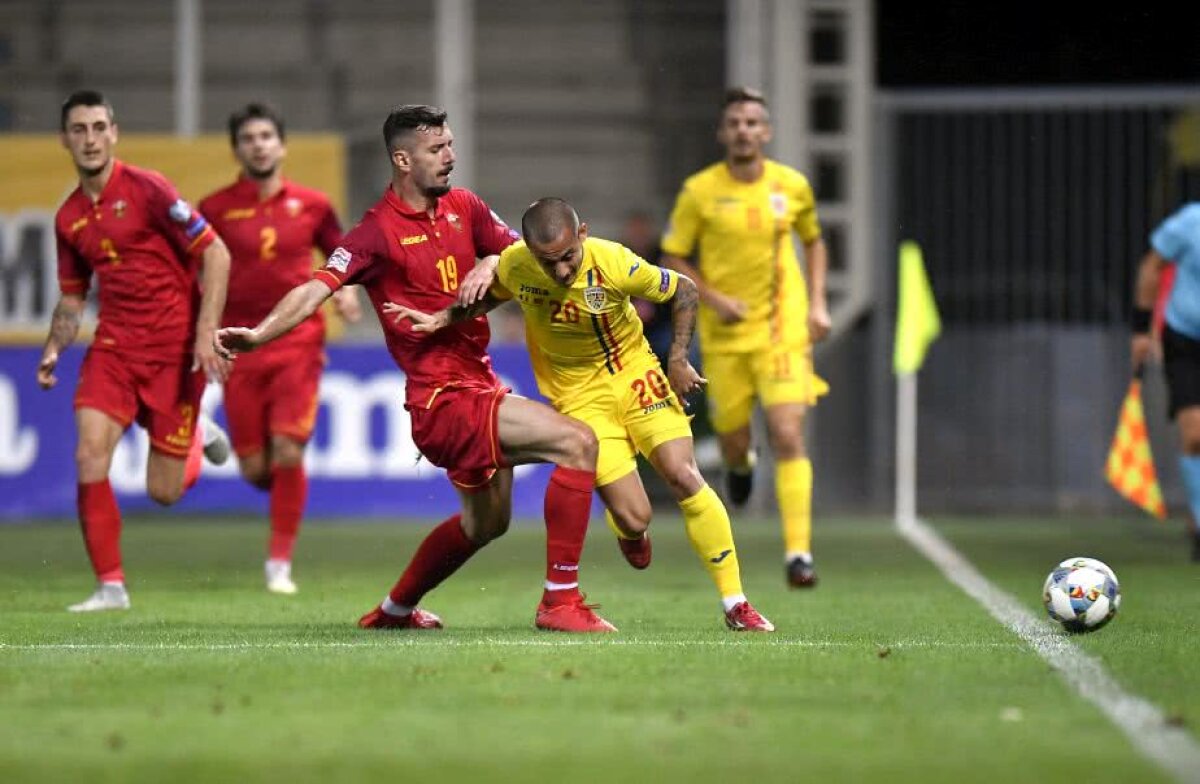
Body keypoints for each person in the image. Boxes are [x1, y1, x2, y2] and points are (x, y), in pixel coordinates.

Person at [214, 105, 615, 632]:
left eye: (449, 145)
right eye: (437, 149)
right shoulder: (375, 233)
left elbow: (519, 254)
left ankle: (394, 610)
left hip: (478, 381)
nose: (450, 156)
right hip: (442, 400)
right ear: (402, 159)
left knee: (485, 524)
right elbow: (317, 287)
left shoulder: (464, 207)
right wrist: (260, 334)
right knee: (578, 442)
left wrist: (491, 260)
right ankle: (560, 603)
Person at [388, 198, 775, 631]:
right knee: (635, 517)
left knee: (683, 474)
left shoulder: (615, 261)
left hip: (636, 376)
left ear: (584, 234)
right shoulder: (517, 265)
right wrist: (442, 318)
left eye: (569, 257)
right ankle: (631, 532)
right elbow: (488, 299)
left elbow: (683, 287)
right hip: (581, 401)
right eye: (548, 262)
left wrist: (678, 358)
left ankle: (735, 603)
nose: (561, 272)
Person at [38, 90, 233, 612]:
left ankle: (193, 433)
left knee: (163, 492)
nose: (90, 138)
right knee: (88, 452)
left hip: (174, 349)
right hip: (115, 348)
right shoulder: (68, 218)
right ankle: (111, 586)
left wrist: (205, 331)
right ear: (65, 139)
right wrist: (55, 347)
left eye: (99, 127)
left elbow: (215, 252)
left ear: (114, 133)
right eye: (78, 129)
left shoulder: (147, 190)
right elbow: (74, 295)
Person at [660, 86, 831, 589]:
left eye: (753, 122)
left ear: (767, 131)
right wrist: (715, 300)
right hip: (725, 336)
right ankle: (741, 462)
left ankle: (799, 553)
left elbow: (815, 241)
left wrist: (818, 301)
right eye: (735, 122)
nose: (744, 130)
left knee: (787, 433)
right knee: (734, 439)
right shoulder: (700, 191)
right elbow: (673, 256)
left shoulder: (792, 186)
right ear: (722, 133)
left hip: (781, 331)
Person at [199, 103, 362, 595]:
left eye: (267, 135)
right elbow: (197, 274)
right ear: (237, 149)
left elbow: (342, 249)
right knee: (255, 468)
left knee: (289, 448)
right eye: (248, 137)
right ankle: (285, 496)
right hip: (240, 345)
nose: (259, 144)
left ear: (282, 145)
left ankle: (278, 564)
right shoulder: (214, 209)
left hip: (297, 340)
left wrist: (348, 290)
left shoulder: (312, 204)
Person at [1132, 201, 1200, 561]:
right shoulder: (1191, 221)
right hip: (1186, 339)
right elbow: (1152, 265)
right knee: (1195, 435)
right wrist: (1141, 328)